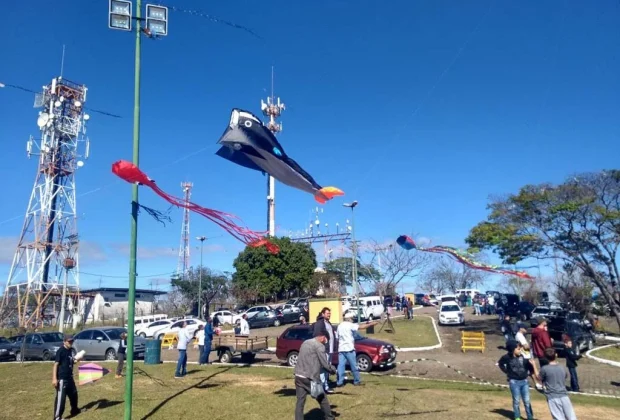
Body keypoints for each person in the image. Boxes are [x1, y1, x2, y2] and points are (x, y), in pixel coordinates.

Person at [294, 330, 337, 420]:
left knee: (300, 401)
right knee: (322, 398)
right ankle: (329, 417)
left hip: (298, 375)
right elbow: (325, 364)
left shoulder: (305, 342)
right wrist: (333, 370)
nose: (326, 342)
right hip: (309, 377)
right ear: (322, 337)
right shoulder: (319, 346)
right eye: (326, 339)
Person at [497, 340, 536, 420]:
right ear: (513, 350)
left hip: (524, 381)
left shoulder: (523, 357)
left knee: (527, 400)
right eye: (518, 349)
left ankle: (530, 417)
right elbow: (500, 363)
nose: (520, 350)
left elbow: (528, 367)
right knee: (516, 400)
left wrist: (531, 365)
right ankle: (517, 417)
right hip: (514, 382)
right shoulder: (506, 358)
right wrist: (506, 371)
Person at [540, 347, 577, 420]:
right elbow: (565, 376)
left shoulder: (544, 368)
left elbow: (539, 378)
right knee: (572, 417)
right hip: (564, 395)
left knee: (558, 418)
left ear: (545, 357)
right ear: (556, 355)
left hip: (552, 396)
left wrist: (534, 365)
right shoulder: (562, 367)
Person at [53, 334, 80, 420]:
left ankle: (74, 410)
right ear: (64, 341)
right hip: (62, 379)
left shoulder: (70, 350)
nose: (71, 343)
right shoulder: (60, 351)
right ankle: (57, 417)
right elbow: (55, 365)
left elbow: (71, 361)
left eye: (72, 341)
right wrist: (54, 378)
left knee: (74, 394)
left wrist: (77, 360)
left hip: (70, 378)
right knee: (61, 399)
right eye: (69, 341)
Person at [313, 307, 336, 394]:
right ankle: (322, 387)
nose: (329, 315)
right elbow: (317, 336)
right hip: (323, 350)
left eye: (329, 313)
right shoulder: (320, 323)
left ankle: (325, 385)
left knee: (327, 368)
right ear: (323, 314)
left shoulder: (328, 323)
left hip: (330, 349)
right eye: (327, 313)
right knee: (323, 368)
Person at [336, 313, 361, 387]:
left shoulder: (339, 326)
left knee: (341, 366)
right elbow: (360, 327)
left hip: (341, 349)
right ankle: (357, 381)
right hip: (349, 349)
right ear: (349, 319)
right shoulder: (350, 325)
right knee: (354, 366)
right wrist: (371, 324)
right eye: (352, 318)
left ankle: (340, 382)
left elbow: (337, 338)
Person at [514, 323, 542, 390]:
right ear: (521, 329)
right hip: (525, 356)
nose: (526, 329)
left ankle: (536, 383)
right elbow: (525, 346)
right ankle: (523, 383)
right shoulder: (519, 335)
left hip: (527, 355)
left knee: (531, 371)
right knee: (529, 370)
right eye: (525, 328)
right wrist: (532, 344)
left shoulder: (521, 335)